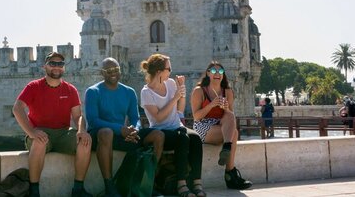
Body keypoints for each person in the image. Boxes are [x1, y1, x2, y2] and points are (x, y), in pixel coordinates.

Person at [13, 52, 93, 197]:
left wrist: (82, 130)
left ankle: (78, 189)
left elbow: (78, 116)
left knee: (85, 142)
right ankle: (34, 191)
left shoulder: (70, 89)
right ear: (45, 66)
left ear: (64, 68)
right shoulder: (33, 86)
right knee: (39, 142)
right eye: (53, 64)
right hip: (40, 131)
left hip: (63, 133)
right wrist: (31, 132)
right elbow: (17, 108)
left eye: (60, 64)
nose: (57, 67)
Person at [85, 57, 164, 197]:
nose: (113, 72)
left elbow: (135, 117)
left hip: (123, 135)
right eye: (108, 70)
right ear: (102, 73)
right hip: (101, 136)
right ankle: (109, 187)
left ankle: (149, 183)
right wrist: (120, 129)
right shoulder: (93, 91)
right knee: (106, 133)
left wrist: (135, 129)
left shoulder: (129, 92)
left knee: (158, 135)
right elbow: (93, 121)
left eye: (116, 69)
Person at [140, 54, 206, 197]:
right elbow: (157, 118)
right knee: (182, 139)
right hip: (160, 130)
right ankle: (181, 184)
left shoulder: (170, 83)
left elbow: (180, 109)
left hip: (177, 126)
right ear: (159, 72)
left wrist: (181, 91)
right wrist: (175, 97)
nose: (171, 71)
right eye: (168, 69)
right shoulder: (146, 92)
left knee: (195, 138)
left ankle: (197, 183)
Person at [190, 61, 252, 190]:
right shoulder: (199, 91)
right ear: (207, 73)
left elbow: (231, 116)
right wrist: (211, 105)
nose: (217, 74)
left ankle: (226, 146)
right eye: (213, 71)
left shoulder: (228, 91)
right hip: (203, 126)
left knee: (229, 115)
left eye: (220, 72)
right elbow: (196, 117)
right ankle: (230, 173)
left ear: (223, 75)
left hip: (221, 124)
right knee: (234, 133)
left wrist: (226, 108)